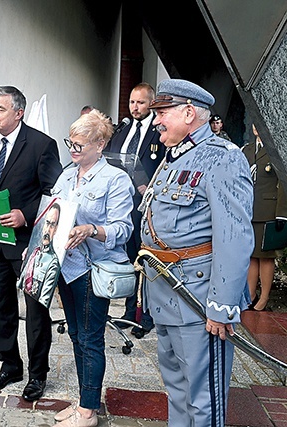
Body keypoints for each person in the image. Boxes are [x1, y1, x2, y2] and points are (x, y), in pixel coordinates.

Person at [140, 79, 253, 426]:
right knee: (177, 390)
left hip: (198, 300)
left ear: (189, 113)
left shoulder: (223, 158)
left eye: (162, 113)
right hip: (165, 292)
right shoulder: (173, 158)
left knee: (204, 400)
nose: (155, 120)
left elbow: (234, 238)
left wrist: (220, 308)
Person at [0, 85, 62, 402]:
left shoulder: (41, 145)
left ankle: (37, 375)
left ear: (19, 112)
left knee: (36, 312)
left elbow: (55, 196)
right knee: (0, 308)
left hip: (29, 245)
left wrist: (26, 215)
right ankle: (10, 365)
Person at [51, 109, 134, 427]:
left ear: (99, 145)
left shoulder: (115, 179)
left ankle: (88, 413)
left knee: (90, 338)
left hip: (93, 268)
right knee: (75, 335)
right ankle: (84, 401)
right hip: (66, 267)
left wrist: (90, 230)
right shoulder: (66, 175)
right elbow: (54, 210)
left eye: (79, 145)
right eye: (70, 143)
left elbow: (123, 230)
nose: (73, 150)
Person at [105, 82, 163, 337]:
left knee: (147, 261)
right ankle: (129, 313)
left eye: (140, 102)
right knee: (128, 260)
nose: (135, 107)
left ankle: (147, 316)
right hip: (121, 203)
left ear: (151, 102)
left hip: (145, 206)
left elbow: (164, 164)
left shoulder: (159, 129)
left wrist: (147, 185)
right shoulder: (122, 130)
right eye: (131, 102)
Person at [242, 124, 287, 311]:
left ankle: (265, 297)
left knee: (266, 257)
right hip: (248, 210)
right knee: (251, 255)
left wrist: (282, 214)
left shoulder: (276, 150)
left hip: (267, 210)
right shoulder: (247, 149)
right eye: (254, 125)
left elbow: (283, 183)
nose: (257, 128)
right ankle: (251, 294)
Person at [21, 202, 61, 308]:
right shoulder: (34, 252)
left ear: (56, 229)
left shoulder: (53, 262)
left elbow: (43, 300)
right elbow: (21, 282)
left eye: (52, 225)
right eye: (47, 223)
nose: (48, 230)